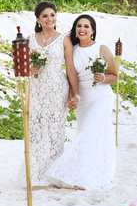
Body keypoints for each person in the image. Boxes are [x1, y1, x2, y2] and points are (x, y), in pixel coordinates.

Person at [43, 14, 118, 191]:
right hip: (82, 99)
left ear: (92, 30)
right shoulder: (72, 50)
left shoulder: (102, 49)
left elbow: (114, 76)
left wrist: (102, 78)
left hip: (101, 97)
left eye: (86, 26)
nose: (82, 29)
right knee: (89, 137)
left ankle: (82, 179)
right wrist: (73, 97)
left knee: (88, 135)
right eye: (79, 26)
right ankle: (87, 174)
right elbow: (71, 76)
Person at [19, 1, 71, 187]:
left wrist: (74, 93)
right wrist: (28, 69)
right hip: (36, 91)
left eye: (53, 15)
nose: (50, 19)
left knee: (55, 132)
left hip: (57, 90)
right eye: (45, 16)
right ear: (38, 19)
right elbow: (19, 66)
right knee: (37, 132)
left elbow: (70, 69)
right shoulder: (29, 39)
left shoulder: (64, 39)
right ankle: (35, 173)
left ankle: (54, 175)